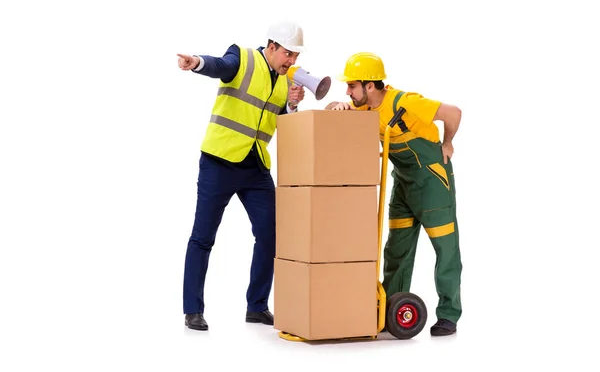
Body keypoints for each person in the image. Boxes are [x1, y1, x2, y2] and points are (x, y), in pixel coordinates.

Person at [176, 21, 306, 331]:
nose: (292, 61)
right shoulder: (244, 58)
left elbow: (279, 124)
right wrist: (197, 63)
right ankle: (193, 309)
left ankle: (257, 306)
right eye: (288, 53)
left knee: (270, 234)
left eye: (296, 56)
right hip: (219, 161)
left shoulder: (283, 82)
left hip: (255, 167)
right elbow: (221, 65)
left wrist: (291, 104)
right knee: (203, 237)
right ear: (272, 47)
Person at [326, 53, 463, 336]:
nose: (348, 92)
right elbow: (332, 111)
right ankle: (390, 310)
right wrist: (339, 105)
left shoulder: (405, 102)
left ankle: (449, 315)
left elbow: (453, 113)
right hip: (403, 183)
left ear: (370, 86)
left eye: (351, 86)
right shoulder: (362, 107)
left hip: (432, 182)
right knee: (396, 248)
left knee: (445, 251)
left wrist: (447, 143)